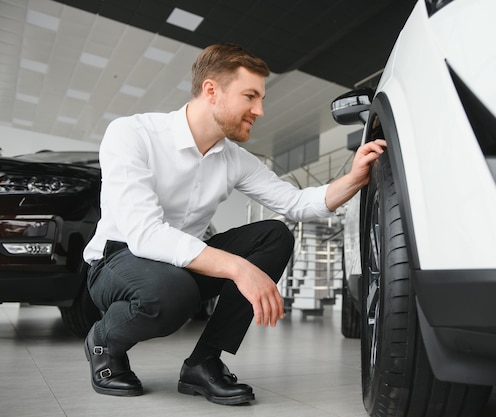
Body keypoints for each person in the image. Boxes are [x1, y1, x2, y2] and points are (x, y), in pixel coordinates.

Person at [82, 43, 387, 405]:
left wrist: (354, 177)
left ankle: (204, 362)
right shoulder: (132, 134)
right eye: (250, 96)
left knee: (273, 235)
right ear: (211, 90)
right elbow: (145, 234)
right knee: (171, 292)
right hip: (118, 259)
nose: (259, 110)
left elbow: (296, 203)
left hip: (182, 266)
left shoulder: (235, 160)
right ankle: (103, 340)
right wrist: (239, 269)